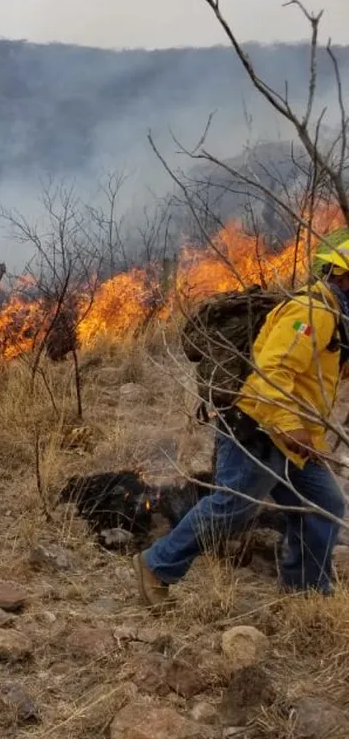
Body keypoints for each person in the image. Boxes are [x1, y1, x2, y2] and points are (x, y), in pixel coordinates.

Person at [137, 242, 349, 605]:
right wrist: (291, 429)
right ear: (342, 274)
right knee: (233, 507)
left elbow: (313, 385)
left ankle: (306, 594)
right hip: (257, 425)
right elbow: (274, 372)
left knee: (324, 503)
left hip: (292, 434)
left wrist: (311, 438)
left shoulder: (339, 319)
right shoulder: (310, 311)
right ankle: (157, 565)